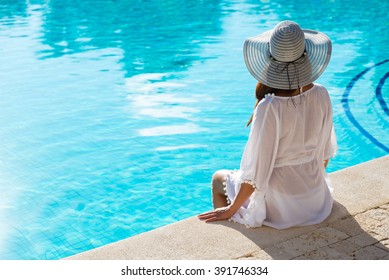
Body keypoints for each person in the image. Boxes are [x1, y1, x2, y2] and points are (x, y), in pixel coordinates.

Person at [198, 20, 337, 229]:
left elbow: (256, 173)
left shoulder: (269, 107)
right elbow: (325, 154)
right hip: (316, 199)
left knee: (218, 178)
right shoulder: (322, 93)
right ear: (306, 54)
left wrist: (232, 209)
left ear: (270, 60)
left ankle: (230, 233)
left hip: (283, 208)